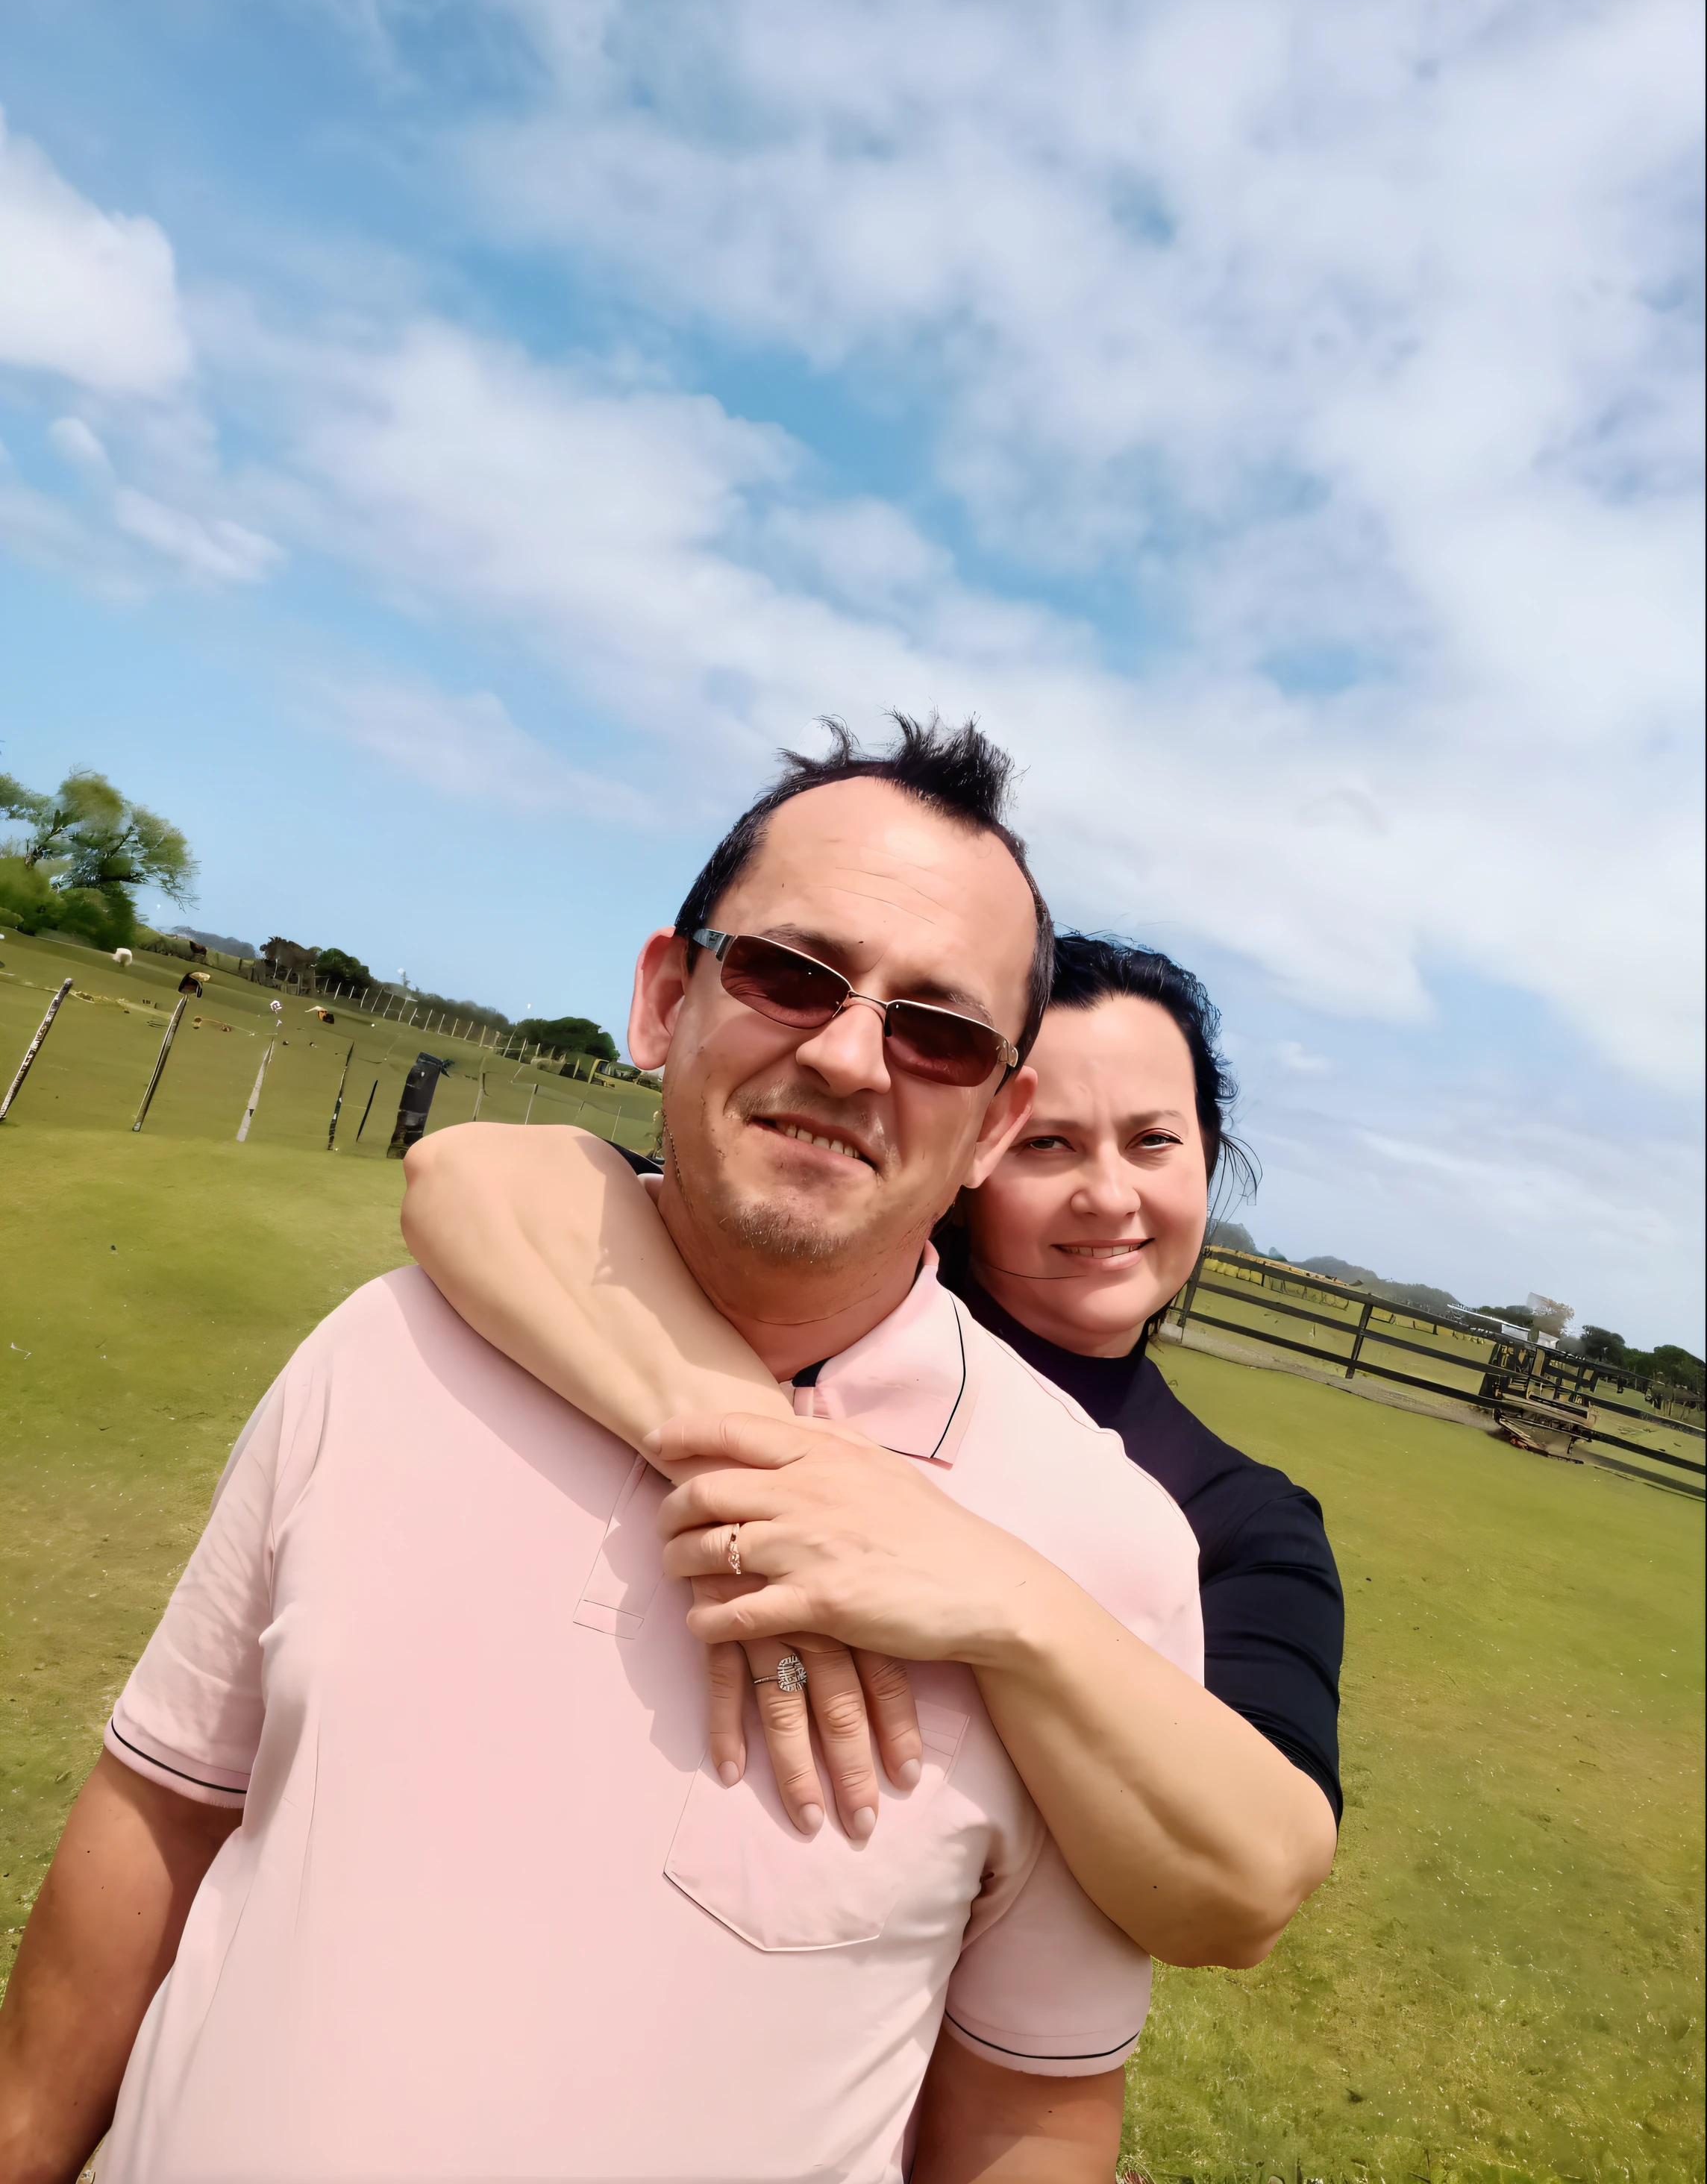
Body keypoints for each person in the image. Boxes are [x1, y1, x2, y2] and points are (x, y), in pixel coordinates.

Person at [2, 718, 1229, 2184]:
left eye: (938, 1031)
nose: (848, 1056)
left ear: (993, 1120)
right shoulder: (389, 1344)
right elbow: (165, 1805)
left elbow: (1027, 2103)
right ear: (665, 997)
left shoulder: (1101, 1550)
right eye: (789, 974)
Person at [401, 920, 1342, 1962]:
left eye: (1155, 1141)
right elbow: (475, 1174)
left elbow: (1257, 1879)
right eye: (1050, 1144)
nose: (1110, 1195)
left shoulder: (1236, 1516)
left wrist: (1001, 1598)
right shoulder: (801, 1313)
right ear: (981, 1143)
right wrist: (766, 1460)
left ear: (1210, 1160)